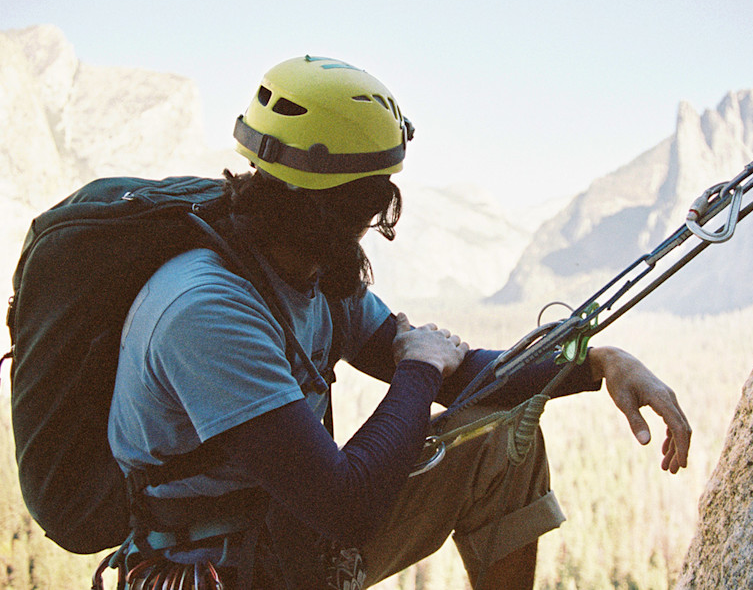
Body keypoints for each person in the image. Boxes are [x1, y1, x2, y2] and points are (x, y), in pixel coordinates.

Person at [107, 55, 691, 589]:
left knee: (499, 439)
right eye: (370, 206)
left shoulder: (306, 271)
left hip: (287, 537)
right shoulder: (209, 314)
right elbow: (345, 505)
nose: (370, 227)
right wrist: (418, 366)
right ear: (334, 210)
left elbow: (464, 376)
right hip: (215, 567)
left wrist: (594, 363)